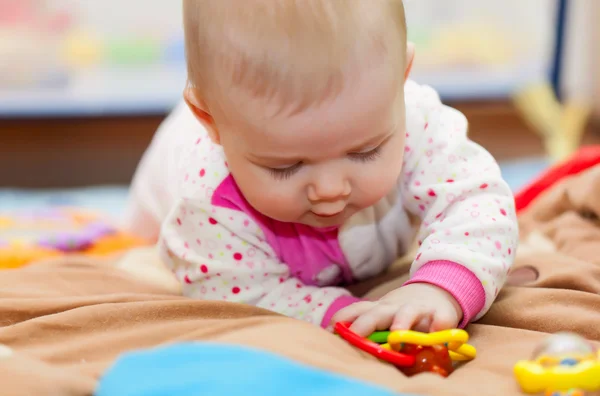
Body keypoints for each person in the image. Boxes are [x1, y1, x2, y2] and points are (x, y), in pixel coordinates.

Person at [126, 0, 518, 337]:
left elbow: (478, 203)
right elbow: (235, 291)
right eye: (286, 166)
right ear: (210, 120)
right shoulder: (205, 202)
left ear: (400, 78)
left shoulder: (416, 119)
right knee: (135, 241)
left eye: (365, 151)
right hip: (165, 173)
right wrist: (337, 314)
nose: (331, 189)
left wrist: (442, 286)